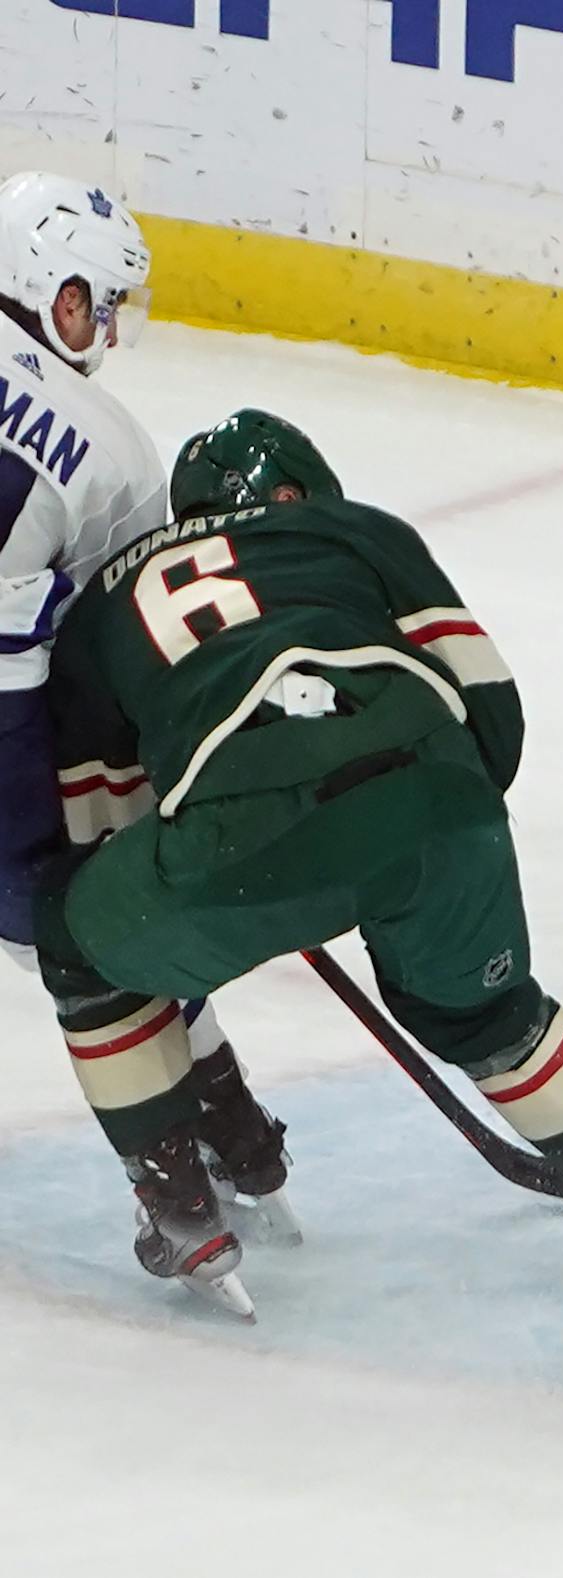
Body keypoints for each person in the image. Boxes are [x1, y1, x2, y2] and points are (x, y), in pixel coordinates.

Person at [36, 409, 563, 1318]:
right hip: (440, 796)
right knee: (489, 1014)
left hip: (245, 833)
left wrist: (267, 839)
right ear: (292, 494)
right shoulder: (357, 530)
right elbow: (492, 712)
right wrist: (411, 830)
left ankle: (181, 1205)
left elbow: (102, 832)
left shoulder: (104, 612)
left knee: (79, 945)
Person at [0, 173, 292, 1233]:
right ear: (54, 291)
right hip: (17, 727)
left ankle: (225, 1136)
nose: (107, 335)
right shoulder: (114, 451)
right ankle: (215, 1153)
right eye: (101, 306)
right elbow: (132, 639)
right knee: (87, 941)